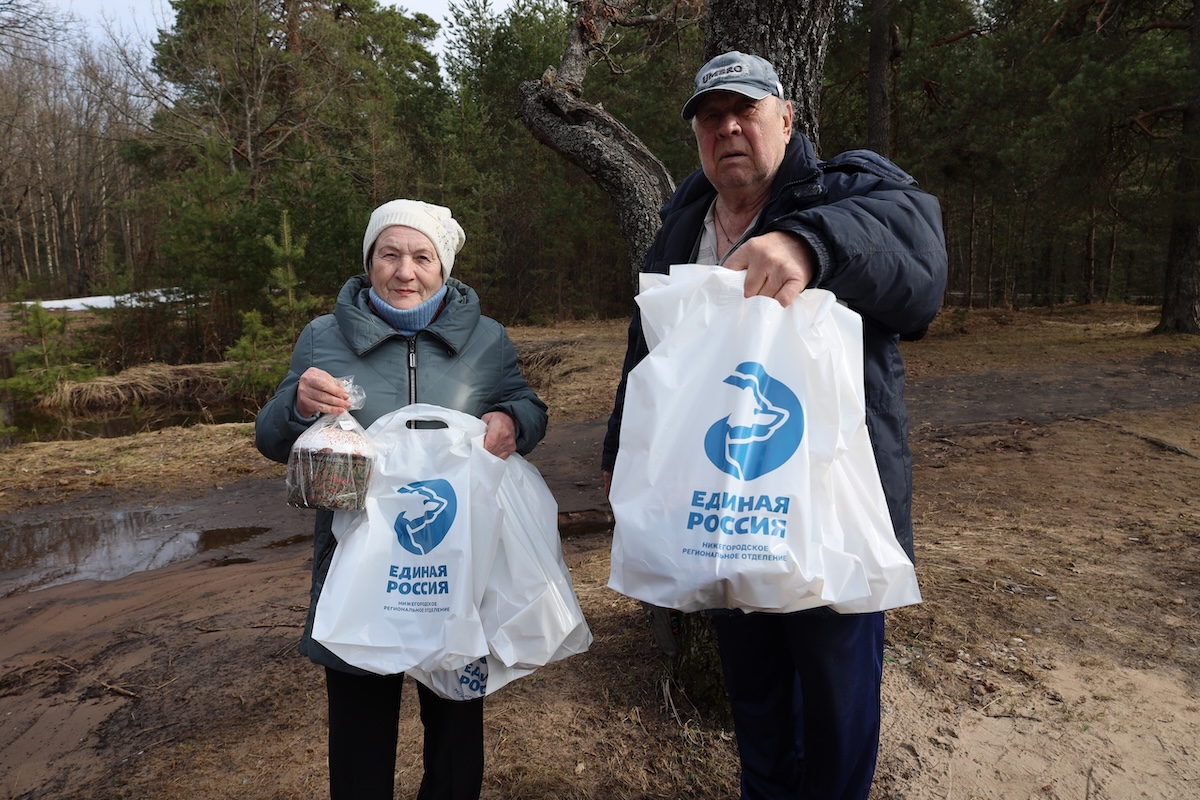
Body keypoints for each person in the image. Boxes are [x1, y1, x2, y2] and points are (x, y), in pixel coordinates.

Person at [601, 52, 948, 799]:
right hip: (724, 512)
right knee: (754, 697)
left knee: (836, 703)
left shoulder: (849, 190)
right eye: (710, 116)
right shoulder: (682, 223)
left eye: (745, 110)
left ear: (786, 120)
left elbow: (920, 276)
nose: (728, 127)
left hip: (828, 512)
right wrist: (620, 454)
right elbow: (651, 353)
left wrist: (808, 245)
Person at [255, 199, 548, 800]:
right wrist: (298, 406)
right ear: (369, 263)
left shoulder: (486, 340)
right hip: (358, 569)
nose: (404, 271)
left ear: (444, 268)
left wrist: (512, 419)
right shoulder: (322, 337)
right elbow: (270, 439)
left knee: (456, 741)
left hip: (454, 571)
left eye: (422, 257)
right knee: (360, 748)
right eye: (389, 254)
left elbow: (528, 407)